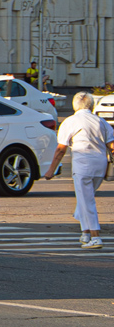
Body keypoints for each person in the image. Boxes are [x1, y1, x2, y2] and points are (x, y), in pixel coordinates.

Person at [45, 92, 114, 249]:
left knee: (87, 200)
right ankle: (85, 233)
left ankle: (95, 236)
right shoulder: (101, 122)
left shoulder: (70, 122)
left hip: (82, 165)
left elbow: (60, 150)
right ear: (91, 105)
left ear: (74, 105)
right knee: (85, 198)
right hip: (100, 166)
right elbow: (112, 146)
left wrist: (51, 170)